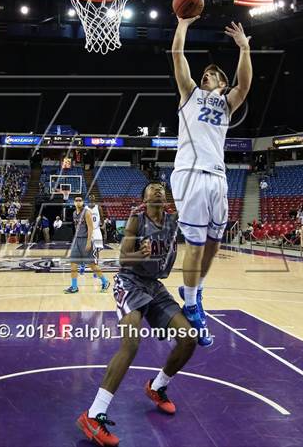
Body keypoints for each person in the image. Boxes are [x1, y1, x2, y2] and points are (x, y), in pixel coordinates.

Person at [77, 183, 197, 446]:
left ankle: (157, 387)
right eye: (151, 189)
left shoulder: (174, 220)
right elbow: (122, 259)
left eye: (160, 188)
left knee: (189, 338)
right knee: (131, 342)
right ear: (143, 198)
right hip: (130, 282)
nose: (157, 190)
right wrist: (138, 254)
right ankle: (94, 415)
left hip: (154, 286)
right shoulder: (136, 218)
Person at [170, 17, 253, 346]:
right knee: (195, 245)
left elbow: (244, 86)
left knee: (214, 244)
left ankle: (194, 290)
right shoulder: (189, 94)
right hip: (190, 174)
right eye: (206, 75)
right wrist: (183, 24)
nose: (209, 77)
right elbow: (178, 56)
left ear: (222, 82)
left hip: (218, 176)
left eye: (215, 75)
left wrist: (244, 48)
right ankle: (191, 307)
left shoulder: (227, 104)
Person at [64, 195, 110, 294]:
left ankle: (105, 281)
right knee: (73, 263)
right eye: (76, 200)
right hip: (77, 241)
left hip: (86, 240)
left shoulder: (87, 212)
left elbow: (90, 228)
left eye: (80, 200)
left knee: (92, 265)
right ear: (74, 202)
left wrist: (89, 242)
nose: (78, 202)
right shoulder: (74, 213)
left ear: (83, 202)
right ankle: (74, 286)